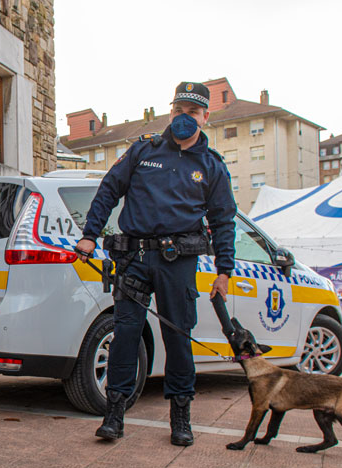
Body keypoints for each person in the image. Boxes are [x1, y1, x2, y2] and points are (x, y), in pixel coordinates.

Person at [75, 81, 236, 447]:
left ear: (205, 117)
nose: (184, 117)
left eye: (192, 112)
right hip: (134, 258)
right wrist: (89, 234)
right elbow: (109, 189)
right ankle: (114, 415)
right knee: (125, 336)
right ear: (170, 111)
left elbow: (223, 220)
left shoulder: (211, 165)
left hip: (177, 262)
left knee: (178, 337)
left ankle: (180, 417)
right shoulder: (143, 150)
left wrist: (224, 271)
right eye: (179, 110)